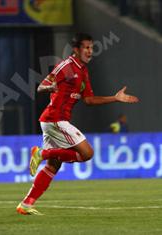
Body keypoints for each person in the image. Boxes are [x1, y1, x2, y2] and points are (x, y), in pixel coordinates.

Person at [16, 33, 139, 215]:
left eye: (91, 48)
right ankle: (41, 153)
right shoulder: (66, 66)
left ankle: (26, 204)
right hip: (55, 119)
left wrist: (115, 98)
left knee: (53, 166)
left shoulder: (83, 71)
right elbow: (41, 86)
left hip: (53, 121)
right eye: (86, 48)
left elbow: (89, 100)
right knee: (87, 153)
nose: (90, 51)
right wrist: (51, 87)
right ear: (76, 49)